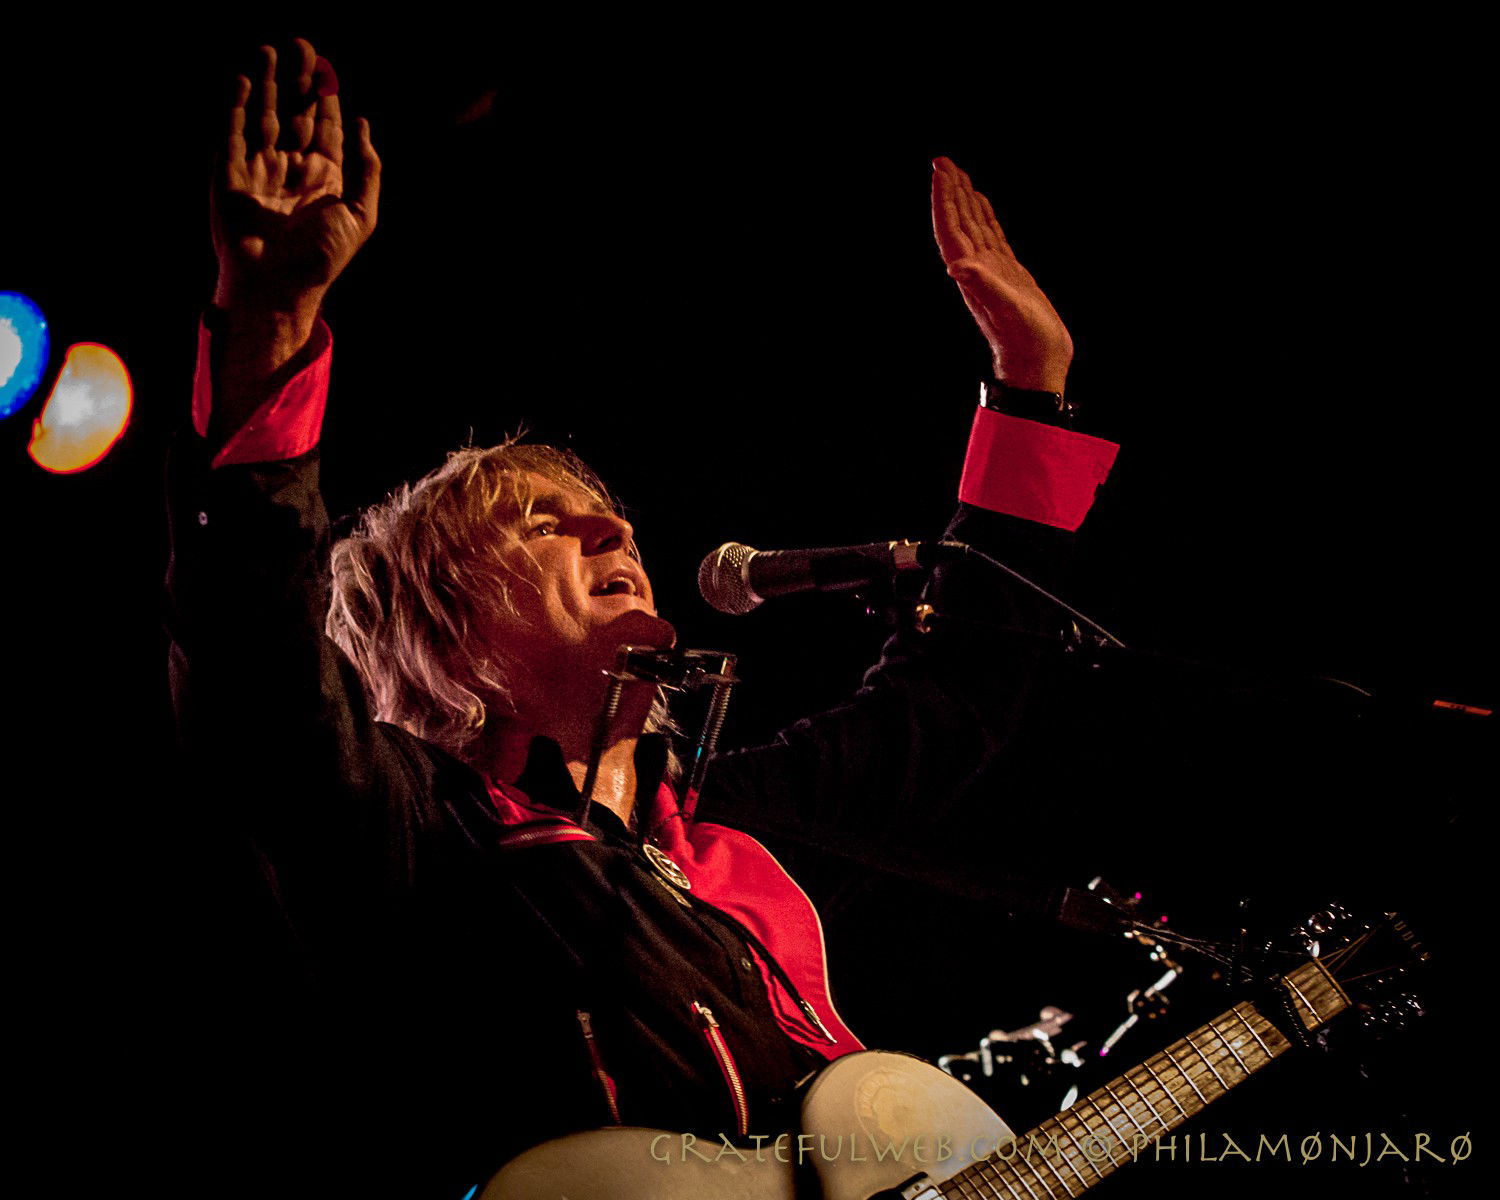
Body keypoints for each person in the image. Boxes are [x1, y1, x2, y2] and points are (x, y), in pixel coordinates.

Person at [166, 38, 1118, 1198]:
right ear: (443, 633)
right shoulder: (417, 831)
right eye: (542, 525)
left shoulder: (742, 834)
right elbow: (251, 652)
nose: (614, 531)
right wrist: (268, 326)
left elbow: (965, 680)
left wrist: (1031, 382)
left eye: (611, 520)